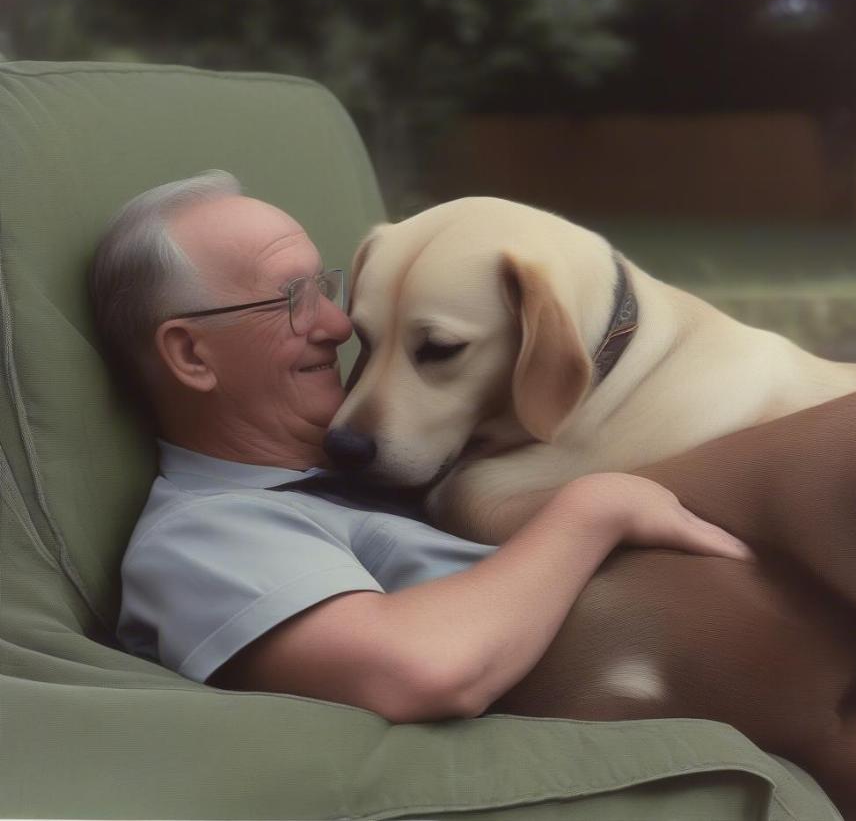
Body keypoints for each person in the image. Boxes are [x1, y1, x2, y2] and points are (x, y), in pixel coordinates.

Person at [90, 170, 750, 724]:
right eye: (291, 299)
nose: (337, 323)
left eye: (325, 286)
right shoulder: (205, 532)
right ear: (191, 354)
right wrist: (596, 512)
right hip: (672, 664)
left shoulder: (412, 451)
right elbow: (421, 671)